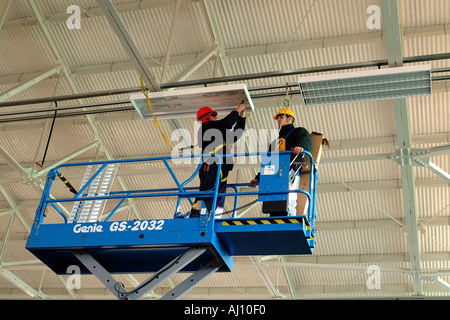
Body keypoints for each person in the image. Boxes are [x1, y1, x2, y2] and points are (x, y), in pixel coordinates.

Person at [190, 103, 246, 218]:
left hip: (220, 166)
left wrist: (242, 117)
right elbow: (226, 123)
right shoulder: (207, 127)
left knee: (217, 193)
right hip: (211, 165)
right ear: (205, 117)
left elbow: (236, 134)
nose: (215, 117)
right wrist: (237, 110)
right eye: (213, 114)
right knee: (208, 190)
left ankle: (213, 216)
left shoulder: (217, 131)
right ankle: (197, 215)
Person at [249, 108, 312, 188]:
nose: (278, 119)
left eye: (281, 117)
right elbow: (269, 163)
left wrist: (300, 147)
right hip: (275, 174)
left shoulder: (299, 132)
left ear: (290, 119)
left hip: (292, 172)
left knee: (287, 196)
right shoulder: (274, 143)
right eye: (278, 118)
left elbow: (305, 141)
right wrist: (259, 178)